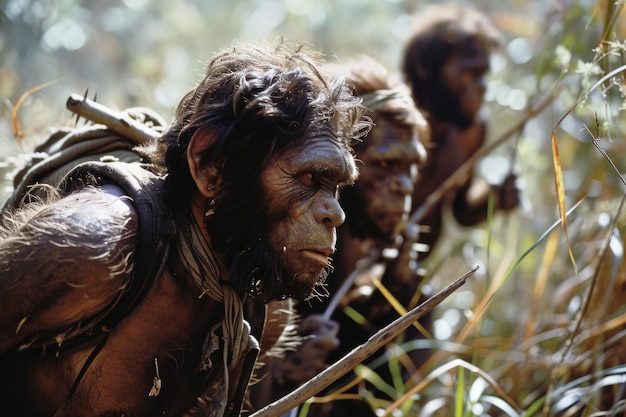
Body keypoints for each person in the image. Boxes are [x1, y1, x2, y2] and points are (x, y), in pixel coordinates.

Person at [0, 40, 369, 417]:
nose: (335, 213)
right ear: (212, 167)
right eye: (310, 178)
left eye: (336, 186)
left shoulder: (263, 307)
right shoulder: (92, 248)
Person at [249, 55, 430, 417]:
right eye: (385, 165)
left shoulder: (386, 266)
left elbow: (394, 390)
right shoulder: (279, 248)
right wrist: (284, 372)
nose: (405, 186)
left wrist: (398, 292)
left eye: (412, 167)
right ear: (339, 164)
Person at [402, 3, 520, 262]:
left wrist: (494, 197)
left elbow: (461, 210)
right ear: (425, 67)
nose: (482, 87)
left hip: (408, 279)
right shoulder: (384, 127)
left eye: (483, 74)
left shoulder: (471, 133)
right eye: (469, 72)